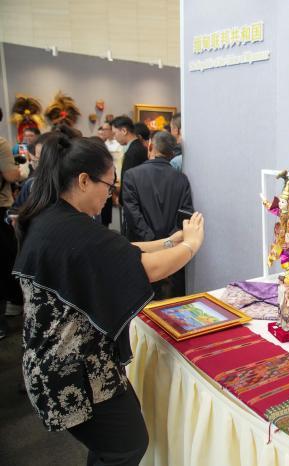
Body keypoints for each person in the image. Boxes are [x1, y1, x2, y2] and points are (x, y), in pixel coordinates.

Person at [12, 134, 204, 465]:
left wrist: (170, 242)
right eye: (108, 185)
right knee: (127, 445)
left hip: (54, 363)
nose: (110, 195)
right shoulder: (73, 230)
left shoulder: (52, 218)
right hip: (72, 372)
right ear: (83, 181)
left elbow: (118, 252)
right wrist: (192, 244)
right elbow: (147, 268)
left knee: (115, 444)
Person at [121, 131, 193, 299]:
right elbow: (185, 214)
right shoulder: (181, 179)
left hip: (142, 251)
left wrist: (153, 243)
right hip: (174, 252)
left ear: (150, 147)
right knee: (171, 302)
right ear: (171, 153)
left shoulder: (132, 175)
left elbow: (133, 215)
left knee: (142, 300)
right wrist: (169, 243)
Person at [0, 134, 22, 339]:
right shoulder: (1, 143)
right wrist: (18, 171)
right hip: (1, 207)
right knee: (6, 260)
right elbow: (11, 175)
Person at [111, 116, 148, 233]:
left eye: (115, 133)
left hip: (134, 205)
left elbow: (129, 181)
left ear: (124, 130)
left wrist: (122, 200)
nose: (114, 137)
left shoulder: (134, 151)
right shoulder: (137, 147)